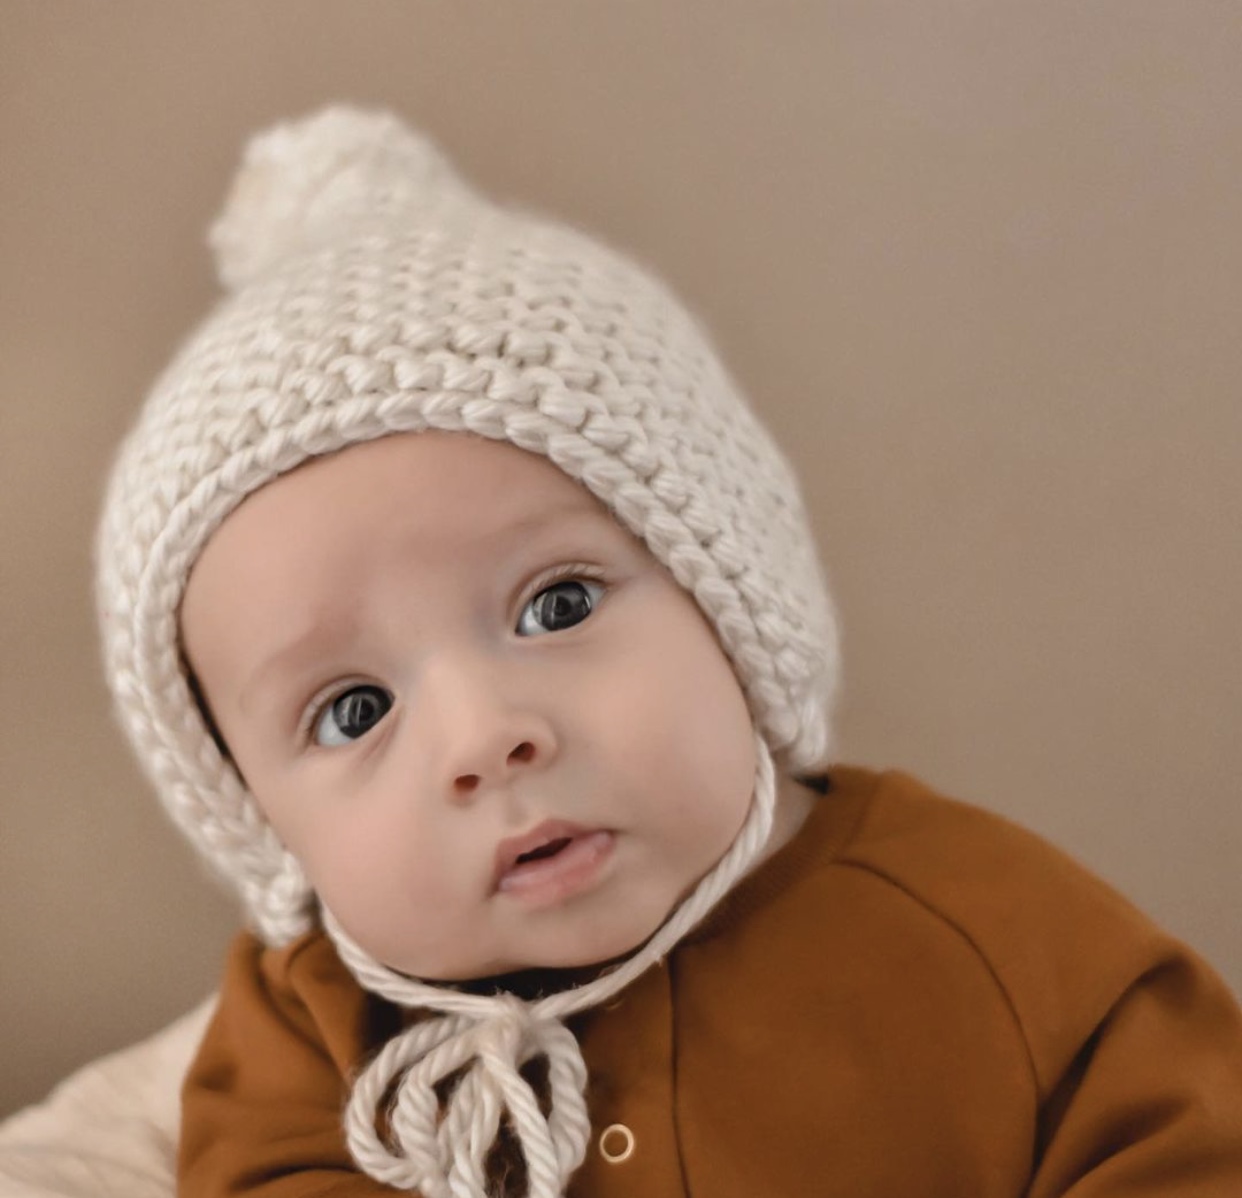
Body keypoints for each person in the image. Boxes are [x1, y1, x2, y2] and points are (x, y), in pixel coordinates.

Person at [95, 106, 1242, 1198]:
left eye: (557, 605)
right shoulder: (316, 1023)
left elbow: (1184, 1136)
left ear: (730, 594)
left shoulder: (975, 924)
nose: (487, 738)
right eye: (353, 710)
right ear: (257, 818)